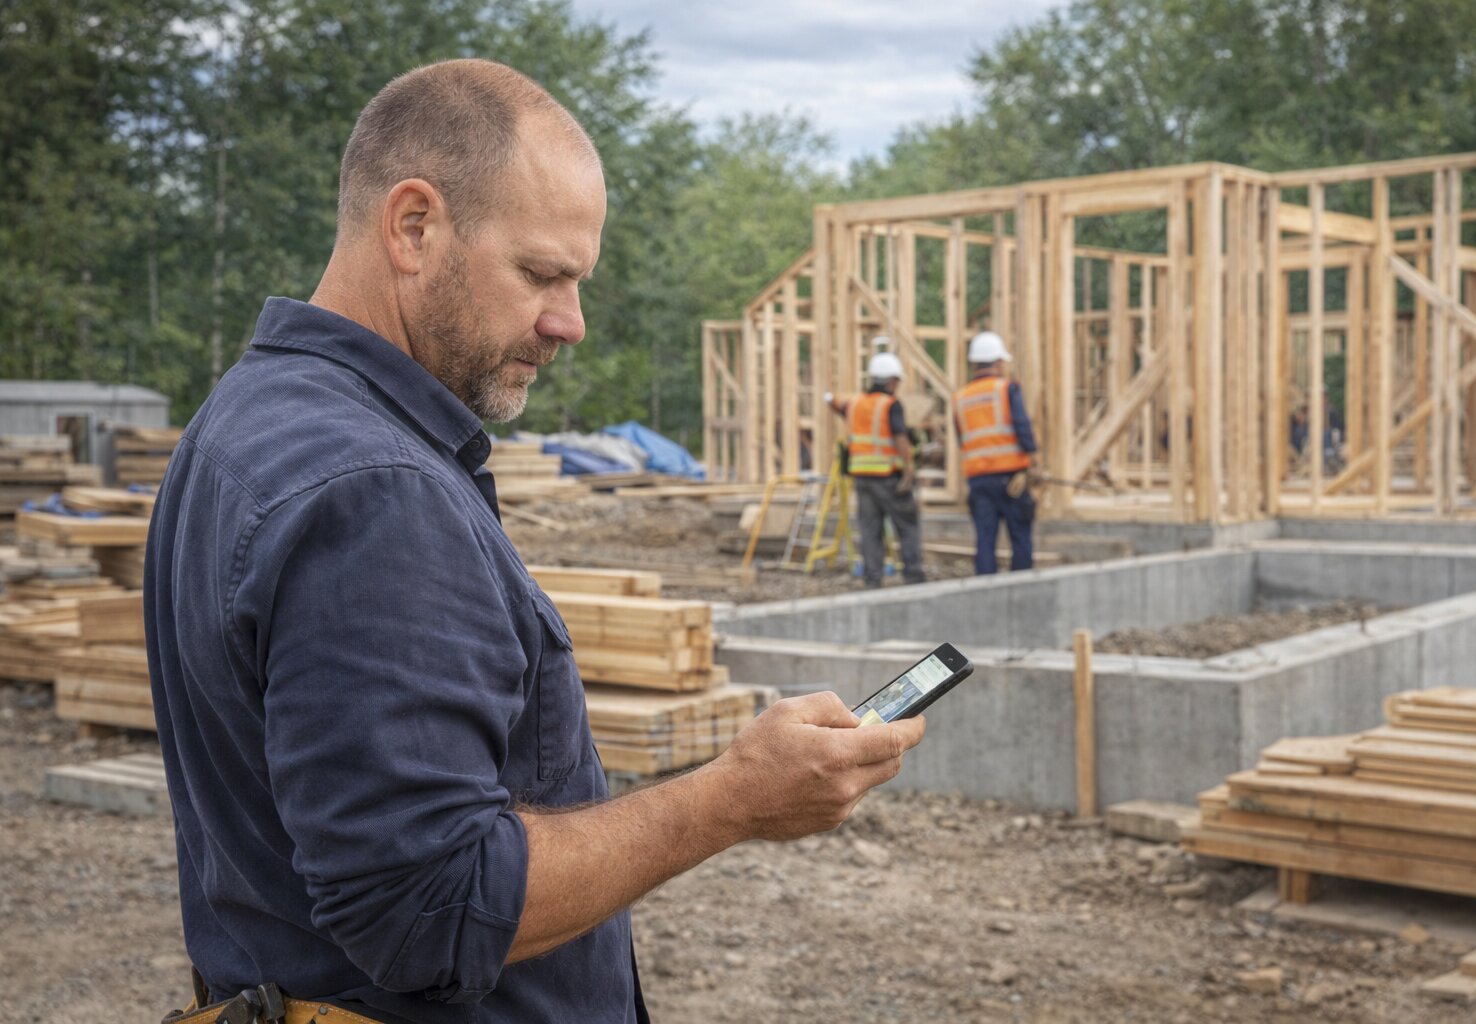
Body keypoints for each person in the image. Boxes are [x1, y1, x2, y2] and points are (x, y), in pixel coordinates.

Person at [145, 59, 924, 1024]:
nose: (571, 322)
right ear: (414, 226)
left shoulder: (244, 417)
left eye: (578, 280)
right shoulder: (374, 490)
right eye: (542, 274)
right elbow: (426, 906)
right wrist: (732, 798)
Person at [826, 345, 925, 587]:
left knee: (870, 531)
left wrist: (828, 398)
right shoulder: (890, 405)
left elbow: (836, 404)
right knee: (907, 526)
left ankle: (873, 580)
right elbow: (900, 437)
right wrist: (909, 469)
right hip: (889, 477)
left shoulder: (856, 403)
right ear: (891, 380)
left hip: (862, 478)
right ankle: (913, 577)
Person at [954, 331, 1038, 574]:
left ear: (974, 363)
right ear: (999, 362)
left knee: (985, 539)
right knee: (1020, 535)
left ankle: (984, 591)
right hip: (1011, 476)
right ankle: (1021, 587)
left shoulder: (959, 398)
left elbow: (963, 439)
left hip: (978, 479)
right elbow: (1022, 426)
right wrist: (1033, 461)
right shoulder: (1006, 389)